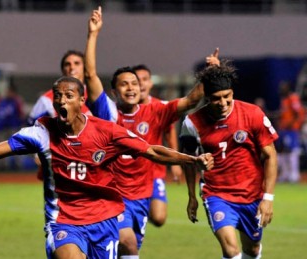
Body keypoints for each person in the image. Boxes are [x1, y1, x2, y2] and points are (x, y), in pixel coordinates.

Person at [0, 76, 214, 259]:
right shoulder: (41, 132)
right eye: (57, 95)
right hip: (64, 222)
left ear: (81, 101)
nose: (61, 100)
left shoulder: (106, 132)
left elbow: (151, 150)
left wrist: (192, 161)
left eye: (68, 96)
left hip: (104, 221)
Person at [84, 7, 219, 258]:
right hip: (112, 195)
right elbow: (90, 74)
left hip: (142, 196)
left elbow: (191, 100)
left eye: (134, 83)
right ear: (114, 92)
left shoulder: (155, 111)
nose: (130, 88)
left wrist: (209, 75)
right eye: (123, 84)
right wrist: (93, 35)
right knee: (127, 244)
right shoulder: (107, 112)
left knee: (127, 250)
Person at [180, 60, 278, 259]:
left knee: (252, 249)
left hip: (252, 194)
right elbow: (189, 161)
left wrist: (268, 198)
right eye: (216, 98)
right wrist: (191, 195)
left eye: (227, 96)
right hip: (217, 195)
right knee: (231, 250)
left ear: (233, 92)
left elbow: (270, 155)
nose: (223, 103)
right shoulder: (192, 123)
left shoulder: (252, 114)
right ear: (206, 97)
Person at [132, 63, 182, 227]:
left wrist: (175, 161)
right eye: (137, 80)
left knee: (159, 218)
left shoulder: (159, 107)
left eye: (145, 79)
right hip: (129, 173)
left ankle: (140, 211)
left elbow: (169, 132)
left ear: (150, 83)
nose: (141, 84)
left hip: (154, 171)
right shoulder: (124, 108)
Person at [27, 49, 91, 126]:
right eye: (67, 64)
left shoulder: (95, 97)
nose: (72, 67)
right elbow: (32, 127)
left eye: (77, 63)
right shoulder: (47, 100)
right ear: (62, 70)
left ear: (85, 68)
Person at [276, 81, 305, 183]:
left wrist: (293, 124)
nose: (281, 89)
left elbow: (298, 113)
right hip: (284, 129)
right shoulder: (284, 100)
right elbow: (283, 114)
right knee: (283, 151)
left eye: (283, 87)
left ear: (288, 88)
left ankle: (294, 175)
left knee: (293, 151)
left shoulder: (293, 98)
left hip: (292, 129)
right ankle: (285, 174)